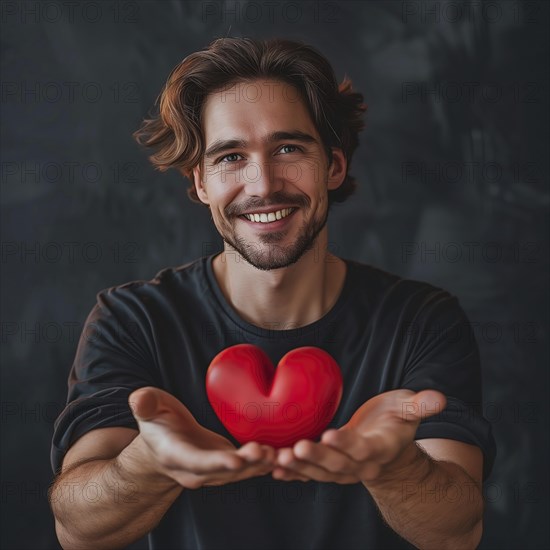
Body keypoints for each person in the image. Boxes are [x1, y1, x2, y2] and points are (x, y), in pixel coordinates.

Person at [48, 37, 496, 550]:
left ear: (334, 166)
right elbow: (76, 528)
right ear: (200, 183)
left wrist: (396, 468)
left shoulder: (422, 320)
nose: (262, 184)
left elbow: (458, 532)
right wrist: (148, 464)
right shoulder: (131, 320)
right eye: (231, 157)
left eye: (288, 149)